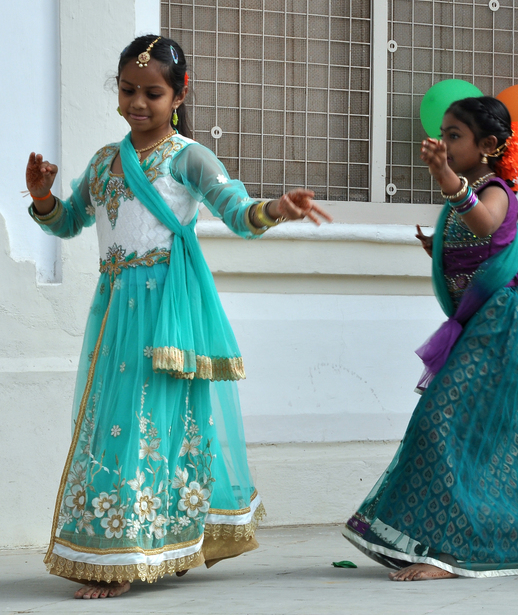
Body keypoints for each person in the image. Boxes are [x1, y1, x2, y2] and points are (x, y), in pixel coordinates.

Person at [25, 34, 332, 599]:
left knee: (157, 420)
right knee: (116, 422)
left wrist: (276, 209)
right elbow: (70, 222)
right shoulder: (105, 161)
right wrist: (43, 197)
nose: (137, 103)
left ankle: (131, 552)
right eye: (127, 90)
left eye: (152, 93)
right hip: (115, 308)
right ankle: (153, 541)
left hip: (166, 306)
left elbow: (236, 213)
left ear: (179, 94)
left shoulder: (189, 156)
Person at [342, 96, 518, 581]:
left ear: (489, 145)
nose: (444, 142)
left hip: (500, 326)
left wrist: (446, 178)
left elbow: (485, 222)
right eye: (443, 133)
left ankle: (449, 552)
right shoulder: (470, 191)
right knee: (481, 437)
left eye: (454, 135)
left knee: (442, 422)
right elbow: (474, 241)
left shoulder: (496, 189)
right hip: (478, 325)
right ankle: (515, 536)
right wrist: (437, 246)